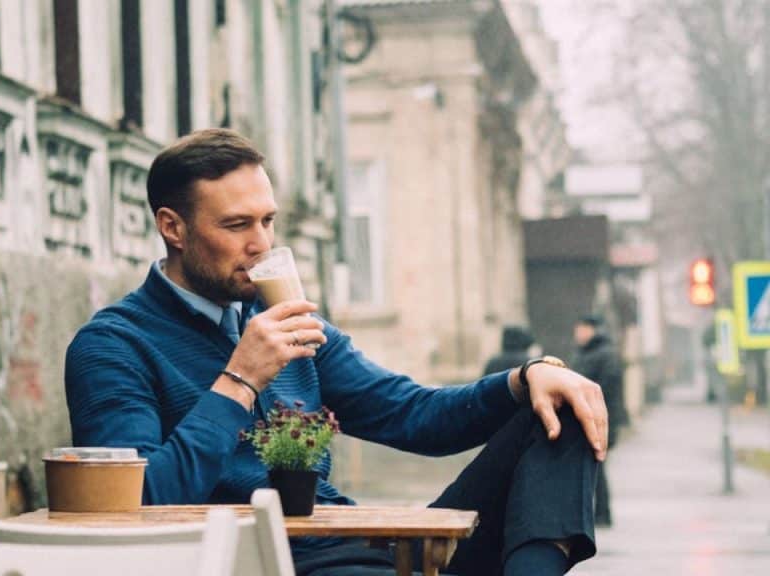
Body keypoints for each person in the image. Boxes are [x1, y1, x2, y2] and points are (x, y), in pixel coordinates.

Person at [65, 129, 608, 576]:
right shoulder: (114, 346)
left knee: (559, 406)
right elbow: (133, 508)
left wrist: (521, 380)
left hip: (368, 552)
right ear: (172, 228)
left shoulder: (290, 324)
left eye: (267, 221)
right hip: (270, 565)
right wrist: (239, 381)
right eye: (236, 225)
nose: (261, 244)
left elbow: (414, 415)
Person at [571, 314, 626, 528]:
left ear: (591, 330)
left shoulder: (605, 355)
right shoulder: (584, 353)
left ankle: (602, 513)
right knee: (593, 468)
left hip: (600, 419)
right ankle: (597, 513)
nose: (577, 334)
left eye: (581, 329)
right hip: (586, 418)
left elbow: (607, 389)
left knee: (596, 467)